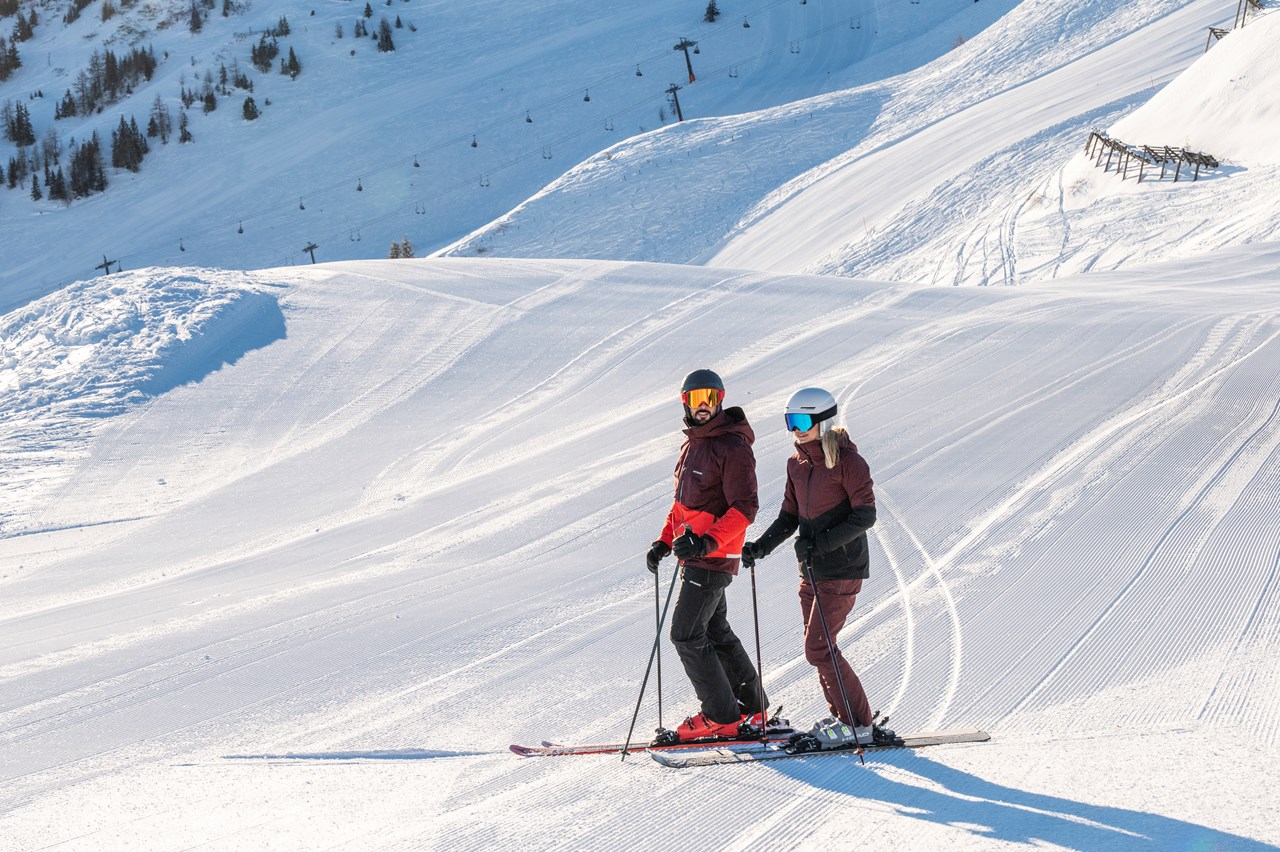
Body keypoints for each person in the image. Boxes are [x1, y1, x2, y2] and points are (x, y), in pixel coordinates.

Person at [743, 387, 881, 747]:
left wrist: (818, 544)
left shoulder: (848, 462)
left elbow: (866, 515)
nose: (796, 429)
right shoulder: (798, 464)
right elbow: (790, 515)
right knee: (822, 648)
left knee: (819, 649)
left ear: (824, 420)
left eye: (803, 421)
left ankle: (858, 724)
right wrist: (762, 546)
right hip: (811, 571)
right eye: (790, 421)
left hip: (841, 569)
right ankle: (843, 719)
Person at [646, 368, 768, 741]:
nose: (703, 406)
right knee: (716, 631)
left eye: (709, 398)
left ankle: (721, 716)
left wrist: (705, 543)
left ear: (720, 399)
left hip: (712, 558)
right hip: (696, 556)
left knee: (685, 634)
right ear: (685, 402)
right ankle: (752, 708)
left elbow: (745, 507)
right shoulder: (693, 444)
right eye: (696, 399)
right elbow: (683, 505)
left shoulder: (731, 446)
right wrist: (664, 541)